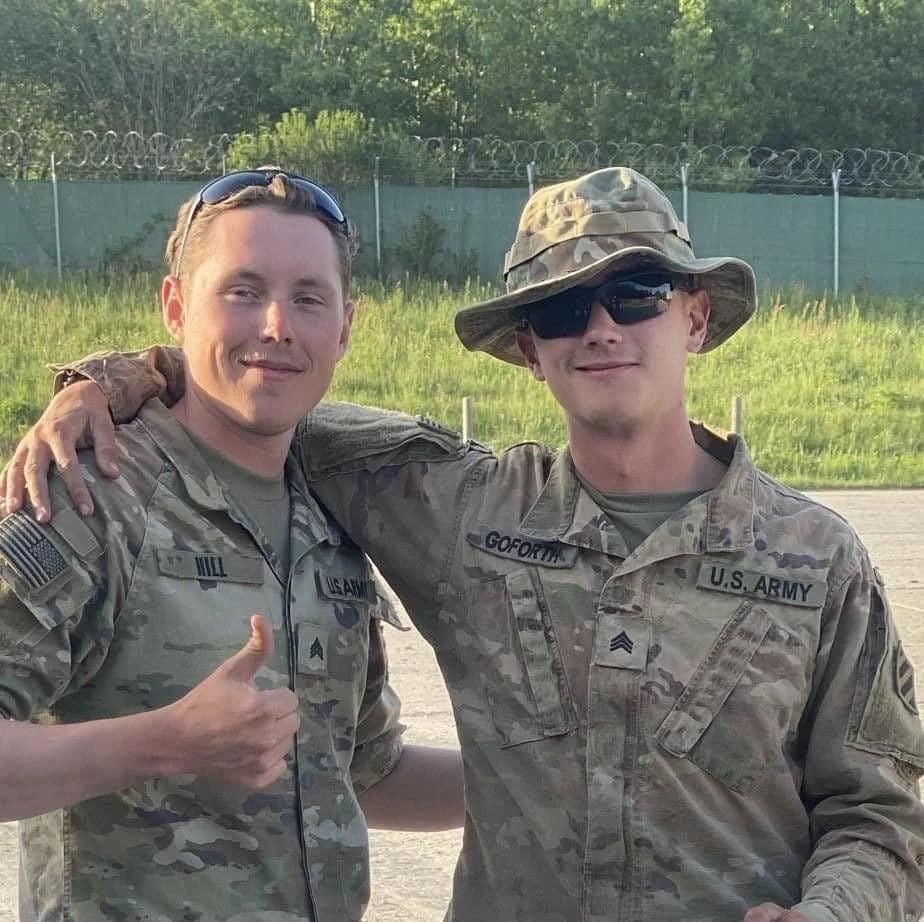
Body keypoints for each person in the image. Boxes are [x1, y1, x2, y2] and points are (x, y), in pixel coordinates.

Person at [4, 166, 923, 922]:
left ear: (694, 316)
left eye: (637, 293)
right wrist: (114, 379)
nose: (601, 327)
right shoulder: (460, 510)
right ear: (529, 348)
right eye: (563, 309)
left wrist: (833, 913)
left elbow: (884, 811)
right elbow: (248, 393)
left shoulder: (817, 559)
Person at [0, 168, 463, 922]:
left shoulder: (332, 511)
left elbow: (363, 772)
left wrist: (555, 781)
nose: (277, 326)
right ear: (176, 307)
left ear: (345, 327)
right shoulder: (92, 494)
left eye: (309, 298)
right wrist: (163, 743)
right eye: (243, 291)